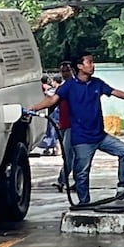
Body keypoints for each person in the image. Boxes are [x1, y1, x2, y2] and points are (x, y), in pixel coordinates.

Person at [29, 51, 124, 205]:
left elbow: (115, 92)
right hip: (82, 138)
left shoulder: (97, 83)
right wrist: (33, 108)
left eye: (92, 62)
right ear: (79, 66)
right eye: (89, 62)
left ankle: (123, 188)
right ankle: (84, 203)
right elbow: (52, 100)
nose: (92, 65)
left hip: (100, 136)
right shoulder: (69, 86)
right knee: (82, 172)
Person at [53, 62, 74, 192]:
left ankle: (62, 180)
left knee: (69, 155)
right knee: (69, 156)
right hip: (63, 125)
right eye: (63, 71)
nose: (65, 73)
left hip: (73, 126)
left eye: (67, 70)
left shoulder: (76, 87)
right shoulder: (62, 88)